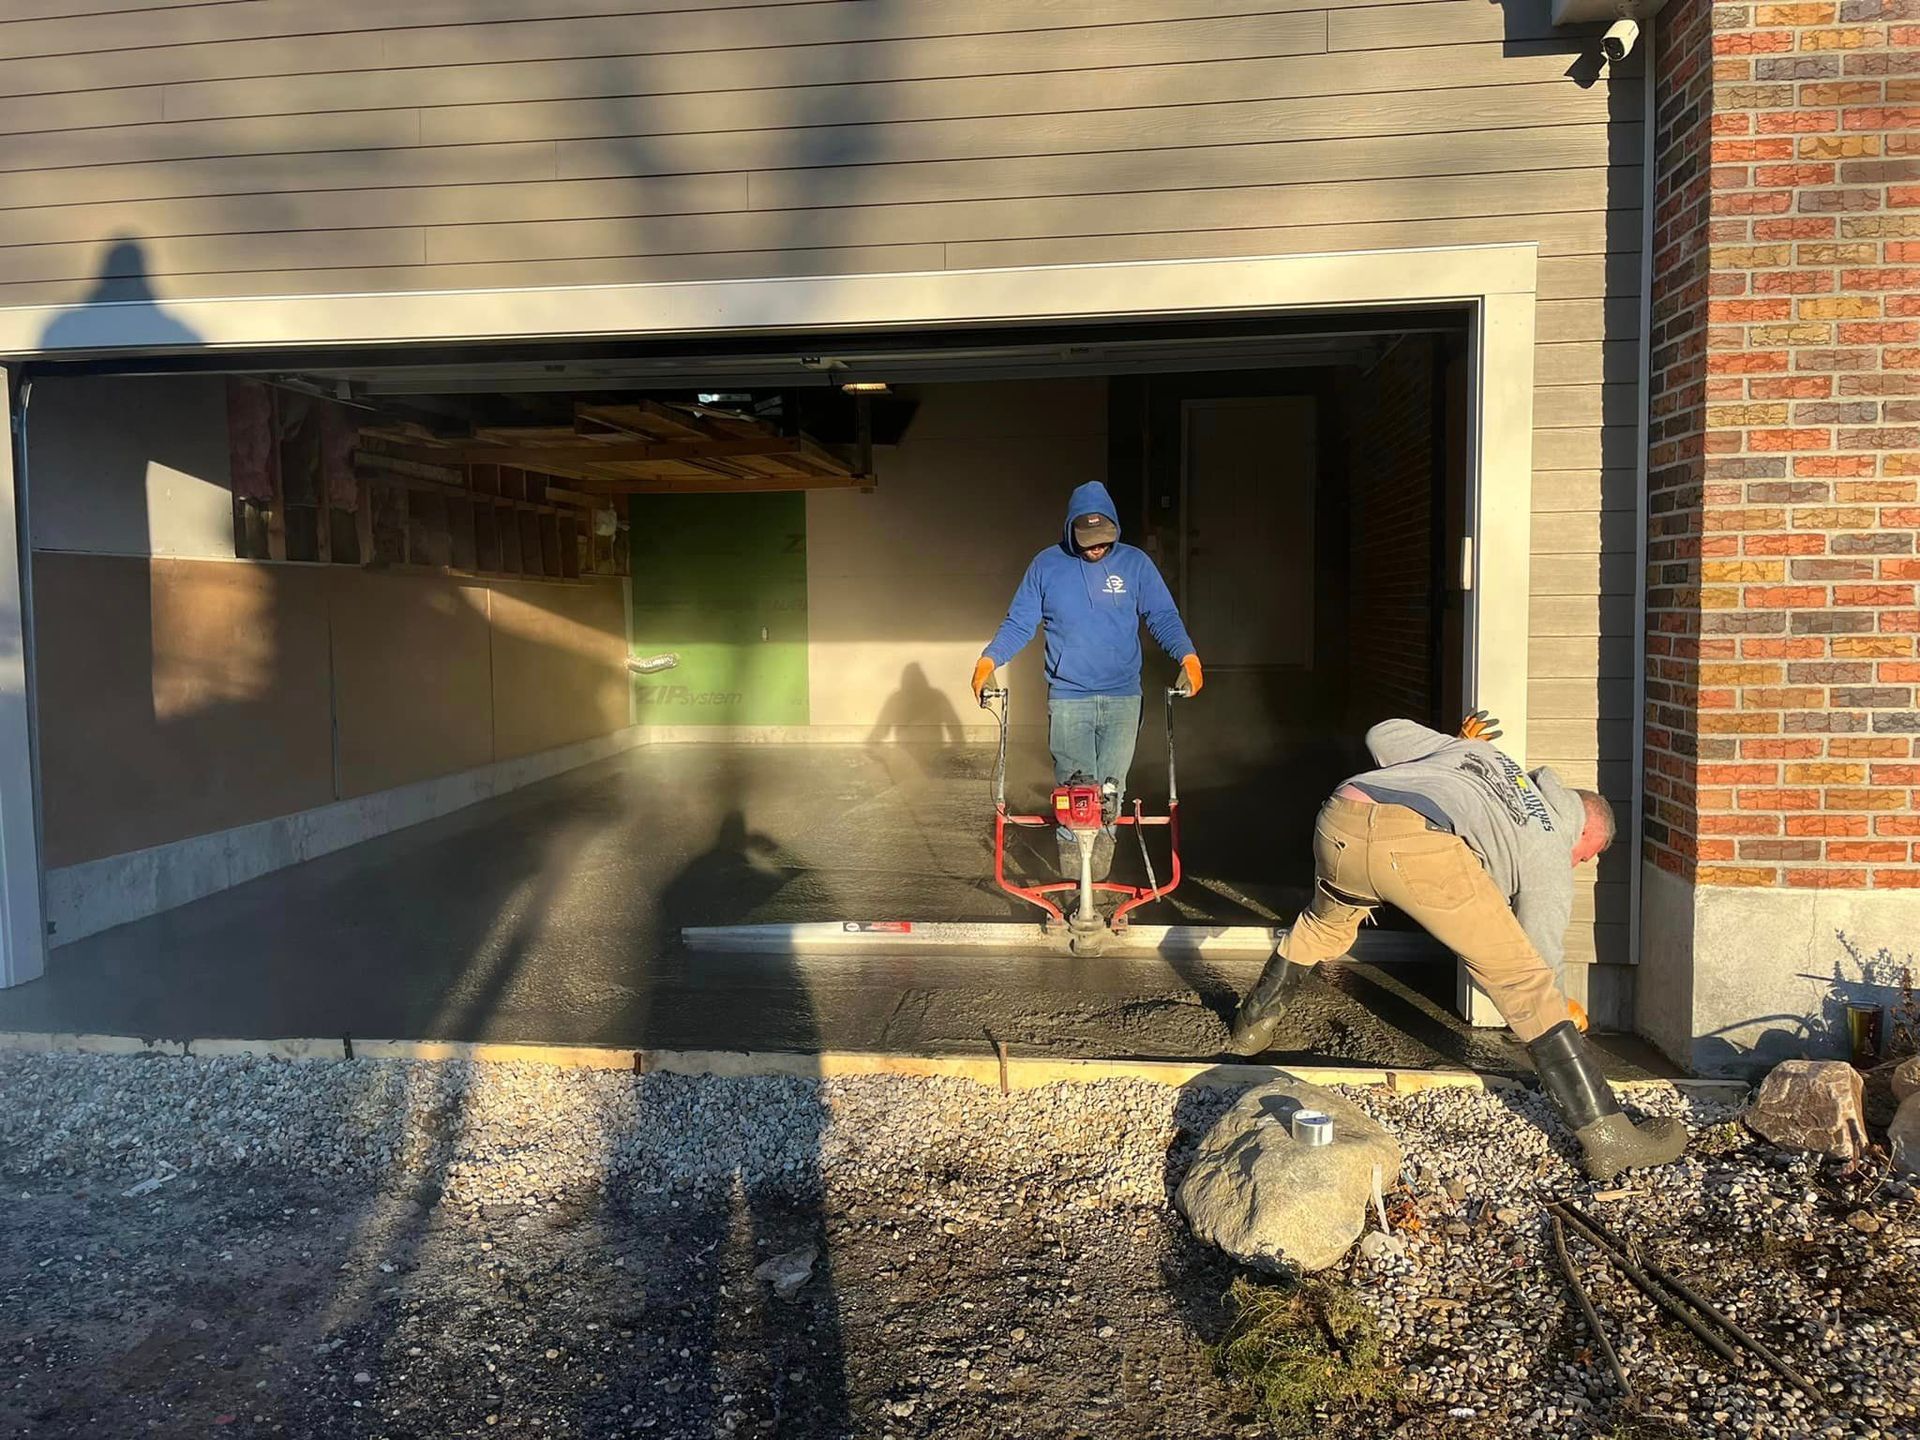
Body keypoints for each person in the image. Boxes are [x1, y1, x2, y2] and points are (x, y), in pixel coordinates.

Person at [1225, 713, 1687, 1181]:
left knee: (1322, 926)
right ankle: (1608, 1136)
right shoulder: (1549, 839)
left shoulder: (1485, 755)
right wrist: (1560, 1003)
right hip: (1414, 843)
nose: (1582, 862)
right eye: (1588, 855)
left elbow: (1380, 734)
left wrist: (1452, 744)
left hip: (1340, 817)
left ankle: (1249, 1029)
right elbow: (1539, 951)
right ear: (1585, 829)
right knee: (1525, 982)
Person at [970, 481, 1202, 880]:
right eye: (1088, 541)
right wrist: (989, 660)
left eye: (1104, 540)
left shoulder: (1135, 565)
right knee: (1075, 795)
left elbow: (1162, 615)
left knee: (1110, 793)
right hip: (1069, 699)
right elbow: (1020, 623)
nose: (1096, 548)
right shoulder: (1046, 566)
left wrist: (1187, 656)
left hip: (1122, 698)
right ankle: (1077, 883)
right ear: (1070, 531)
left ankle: (1096, 879)